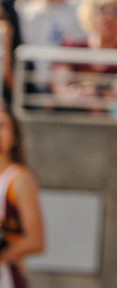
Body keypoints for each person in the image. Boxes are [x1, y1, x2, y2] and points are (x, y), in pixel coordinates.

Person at [0, 103, 45, 284]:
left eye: (2, 125)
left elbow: (36, 241)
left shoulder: (19, 178)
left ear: (14, 134)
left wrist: (4, 255)